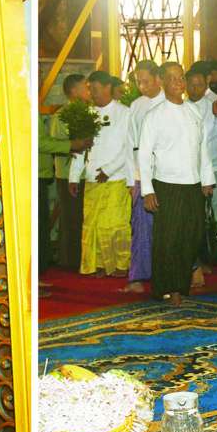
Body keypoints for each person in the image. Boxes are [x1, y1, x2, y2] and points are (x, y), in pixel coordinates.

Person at [138, 62, 216, 305]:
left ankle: (181, 284)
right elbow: (144, 155)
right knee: (168, 239)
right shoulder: (154, 116)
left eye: (181, 77)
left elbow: (203, 150)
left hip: (193, 184)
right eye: (172, 78)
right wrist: (147, 190)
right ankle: (169, 288)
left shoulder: (194, 112)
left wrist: (207, 179)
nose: (179, 83)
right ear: (162, 82)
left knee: (191, 236)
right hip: (167, 185)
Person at [70, 71, 135, 277]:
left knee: (115, 224)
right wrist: (74, 176)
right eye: (90, 90)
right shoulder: (87, 114)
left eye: (96, 89)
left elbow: (128, 148)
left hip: (116, 177)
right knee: (92, 224)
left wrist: (108, 170)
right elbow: (80, 148)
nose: (92, 94)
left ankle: (121, 265)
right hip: (92, 177)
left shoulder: (125, 113)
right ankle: (95, 264)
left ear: (108, 88)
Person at [186, 62, 217, 283]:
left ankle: (209, 257)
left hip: (213, 170)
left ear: (206, 84)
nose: (194, 89)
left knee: (211, 215)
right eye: (191, 84)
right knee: (192, 216)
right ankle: (193, 259)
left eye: (199, 85)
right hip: (188, 172)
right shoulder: (181, 107)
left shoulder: (213, 105)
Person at [124, 61, 167, 293]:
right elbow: (130, 143)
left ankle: (170, 274)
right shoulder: (136, 105)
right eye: (138, 82)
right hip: (142, 174)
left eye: (146, 81)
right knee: (140, 227)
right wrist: (132, 180)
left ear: (158, 79)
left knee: (167, 226)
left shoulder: (170, 102)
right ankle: (138, 277)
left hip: (167, 175)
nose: (142, 86)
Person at [53, 74, 92, 270]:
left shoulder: (89, 112)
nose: (89, 90)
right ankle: (69, 260)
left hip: (87, 173)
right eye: (86, 87)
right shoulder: (61, 115)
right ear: (74, 91)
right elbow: (55, 143)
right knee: (71, 218)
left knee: (83, 217)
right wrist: (75, 144)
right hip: (67, 173)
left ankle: (83, 258)